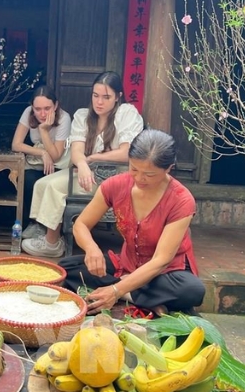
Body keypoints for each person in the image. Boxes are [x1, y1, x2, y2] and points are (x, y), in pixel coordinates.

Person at [60, 129, 206, 316]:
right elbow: (81, 225)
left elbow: (162, 260)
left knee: (192, 290)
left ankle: (125, 291)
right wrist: (91, 248)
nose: (139, 178)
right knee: (67, 268)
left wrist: (116, 290)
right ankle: (142, 297)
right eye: (134, 169)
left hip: (166, 273)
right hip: (127, 264)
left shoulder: (181, 200)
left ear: (168, 168)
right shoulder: (115, 185)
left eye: (149, 174)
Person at [21, 71, 143, 257]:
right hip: (85, 173)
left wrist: (93, 159)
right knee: (41, 183)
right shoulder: (83, 116)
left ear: (118, 97)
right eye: (95, 96)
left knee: (54, 187)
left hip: (116, 176)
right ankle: (49, 235)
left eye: (106, 97)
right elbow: (77, 151)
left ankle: (51, 244)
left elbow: (126, 153)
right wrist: (84, 165)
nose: (99, 102)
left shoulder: (127, 113)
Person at [11, 85, 71, 227]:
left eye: (47, 108)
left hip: (58, 164)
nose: (42, 114)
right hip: (37, 161)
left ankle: (46, 227)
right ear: (32, 107)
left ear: (55, 105)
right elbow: (16, 144)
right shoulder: (28, 113)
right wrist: (42, 153)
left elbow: (56, 155)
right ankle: (31, 224)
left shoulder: (64, 118)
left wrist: (43, 131)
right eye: (37, 109)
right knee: (27, 180)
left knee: (47, 184)